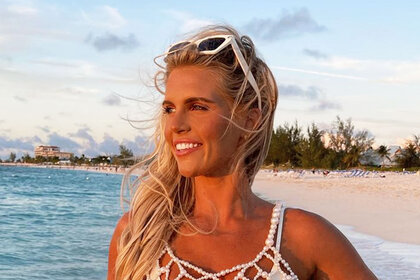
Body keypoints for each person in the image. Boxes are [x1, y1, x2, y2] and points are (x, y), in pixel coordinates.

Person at [108, 25, 377, 280]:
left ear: (250, 120)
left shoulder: (306, 238)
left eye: (197, 107)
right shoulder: (138, 235)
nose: (175, 125)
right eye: (169, 109)